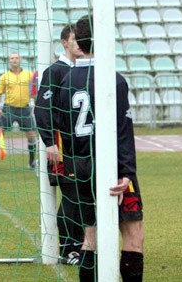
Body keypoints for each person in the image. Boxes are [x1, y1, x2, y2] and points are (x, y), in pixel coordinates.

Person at [56, 16, 144, 281]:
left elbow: (64, 132)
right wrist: (126, 172)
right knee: (133, 234)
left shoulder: (65, 82)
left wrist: (73, 167)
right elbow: (123, 131)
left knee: (90, 237)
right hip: (113, 170)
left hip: (80, 169)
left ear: (79, 44)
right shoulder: (112, 80)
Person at [33, 25, 84, 265]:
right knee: (72, 196)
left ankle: (83, 245)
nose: (78, 44)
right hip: (62, 148)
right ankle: (68, 249)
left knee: (85, 197)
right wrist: (50, 142)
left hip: (84, 146)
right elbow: (43, 108)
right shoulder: (55, 71)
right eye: (74, 40)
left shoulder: (85, 70)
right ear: (64, 43)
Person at [0, 52, 37, 168]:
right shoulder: (4, 76)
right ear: (9, 61)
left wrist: (35, 104)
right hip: (9, 108)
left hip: (25, 108)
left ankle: (31, 162)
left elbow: (34, 91)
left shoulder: (29, 75)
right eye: (12, 58)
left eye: (16, 57)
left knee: (31, 135)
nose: (14, 60)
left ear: (21, 59)